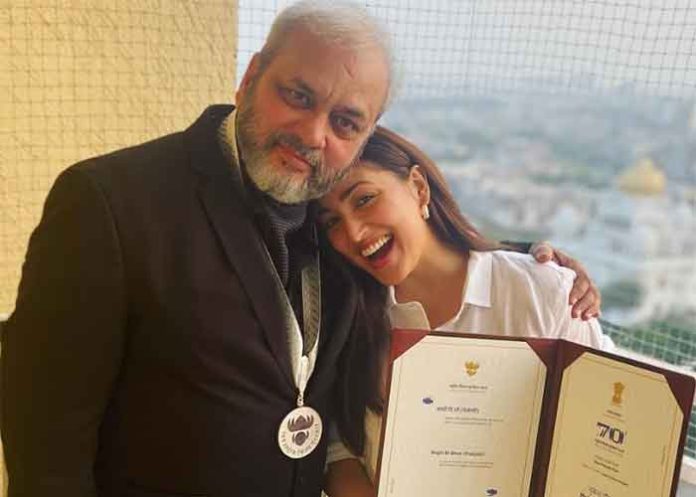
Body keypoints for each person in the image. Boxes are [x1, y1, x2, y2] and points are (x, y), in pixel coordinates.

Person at [1, 2, 598, 496]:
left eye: (346, 122)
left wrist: (533, 260)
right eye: (298, 95)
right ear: (250, 75)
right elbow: (44, 441)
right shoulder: (109, 201)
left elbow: (418, 254)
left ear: (366, 135)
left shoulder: (331, 226)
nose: (314, 134)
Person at [316, 126, 613, 496]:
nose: (355, 233)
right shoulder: (345, 314)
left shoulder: (543, 292)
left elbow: (601, 433)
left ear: (418, 188)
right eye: (332, 222)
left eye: (364, 199)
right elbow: (337, 446)